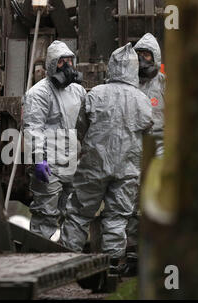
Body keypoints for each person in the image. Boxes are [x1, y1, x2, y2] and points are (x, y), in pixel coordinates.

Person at [59, 43, 153, 272]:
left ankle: (66, 260)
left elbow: (80, 126)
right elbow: (148, 130)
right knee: (117, 216)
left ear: (111, 67)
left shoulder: (96, 94)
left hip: (94, 165)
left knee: (80, 212)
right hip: (127, 168)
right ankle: (112, 265)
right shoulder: (142, 100)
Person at [23, 40, 86, 240]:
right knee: (46, 214)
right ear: (52, 64)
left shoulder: (78, 91)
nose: (67, 66)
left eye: (69, 60)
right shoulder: (39, 93)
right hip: (49, 165)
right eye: (62, 62)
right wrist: (39, 159)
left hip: (72, 164)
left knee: (73, 214)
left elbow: (86, 124)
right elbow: (33, 128)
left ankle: (68, 257)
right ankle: (39, 257)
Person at [125, 33, 166, 275]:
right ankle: (133, 255)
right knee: (131, 203)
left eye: (147, 55)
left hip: (160, 147)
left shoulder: (164, 83)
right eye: (139, 55)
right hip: (133, 147)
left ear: (156, 57)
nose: (142, 60)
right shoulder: (128, 85)